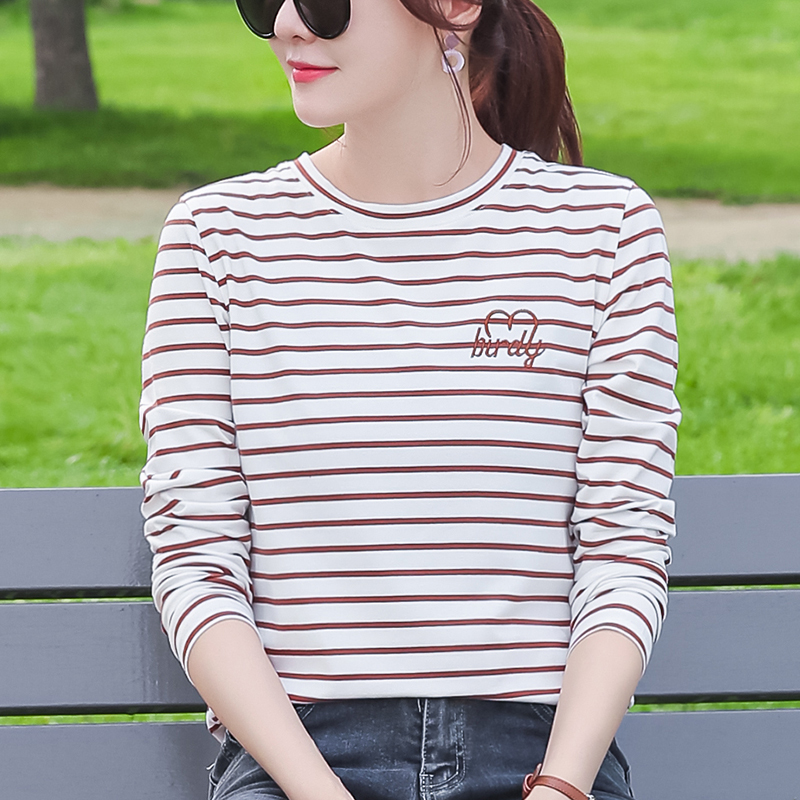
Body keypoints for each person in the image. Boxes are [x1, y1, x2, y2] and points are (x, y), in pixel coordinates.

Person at [138, 1, 681, 799]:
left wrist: (562, 787)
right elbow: (197, 562)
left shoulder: (605, 230)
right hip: (299, 762)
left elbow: (624, 547)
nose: (287, 25)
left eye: (323, 0)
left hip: (541, 756)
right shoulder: (217, 236)